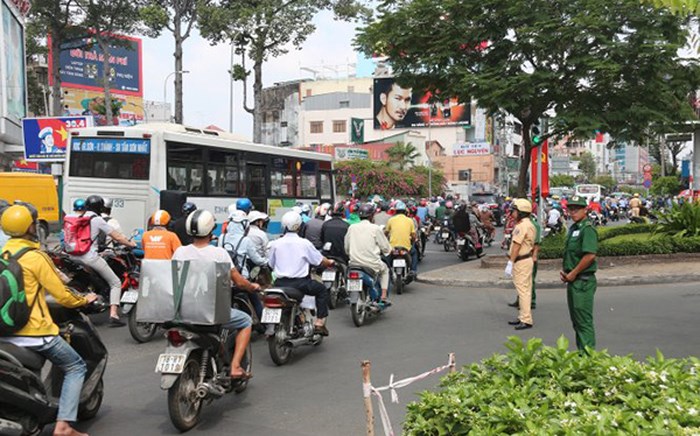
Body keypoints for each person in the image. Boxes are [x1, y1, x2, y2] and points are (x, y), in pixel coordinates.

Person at [0, 203, 98, 436]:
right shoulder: (35, 257)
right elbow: (62, 294)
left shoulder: (3, 254)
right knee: (76, 366)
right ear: (29, 227)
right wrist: (85, 299)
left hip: (4, 330)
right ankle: (64, 426)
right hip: (34, 333)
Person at [172, 209, 259, 379]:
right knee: (246, 321)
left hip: (181, 311)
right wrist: (252, 287)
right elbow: (239, 281)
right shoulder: (219, 253)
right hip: (209, 312)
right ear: (211, 230)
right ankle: (235, 366)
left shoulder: (180, 252)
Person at [66, 196, 136, 326]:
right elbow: (117, 237)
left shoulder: (73, 218)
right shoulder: (97, 220)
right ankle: (114, 314)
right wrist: (131, 244)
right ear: (100, 207)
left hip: (71, 257)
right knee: (115, 282)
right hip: (89, 257)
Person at [269, 211, 334, 336]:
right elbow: (319, 260)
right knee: (321, 290)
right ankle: (319, 323)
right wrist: (329, 262)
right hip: (300, 283)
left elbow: (271, 264)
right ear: (299, 226)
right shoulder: (304, 243)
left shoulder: (276, 243)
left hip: (279, 283)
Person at [561, 195, 599, 352]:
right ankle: (582, 353)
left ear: (585, 210)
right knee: (576, 321)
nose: (573, 212)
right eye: (570, 208)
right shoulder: (574, 228)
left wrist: (574, 273)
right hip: (573, 280)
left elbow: (590, 255)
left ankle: (588, 357)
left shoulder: (587, 229)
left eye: (577, 209)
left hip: (582, 281)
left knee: (583, 322)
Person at [344, 203, 393, 305]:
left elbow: (347, 248)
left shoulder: (352, 227)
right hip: (372, 264)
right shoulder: (375, 228)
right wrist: (387, 251)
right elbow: (386, 248)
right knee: (385, 270)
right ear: (371, 216)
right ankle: (383, 296)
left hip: (354, 264)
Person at [504, 199, 536, 330]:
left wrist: (510, 262)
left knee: (523, 291)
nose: (512, 213)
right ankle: (523, 316)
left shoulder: (522, 226)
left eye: (515, 210)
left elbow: (517, 245)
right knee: (526, 290)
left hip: (521, 261)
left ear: (521, 212)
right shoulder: (529, 224)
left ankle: (526, 319)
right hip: (526, 260)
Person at [385, 201, 418, 278]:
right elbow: (413, 235)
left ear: (395, 210)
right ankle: (413, 270)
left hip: (393, 247)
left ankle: (387, 271)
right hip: (406, 247)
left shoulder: (391, 220)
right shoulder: (410, 220)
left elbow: (386, 233)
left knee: (385, 258)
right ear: (405, 211)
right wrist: (413, 240)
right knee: (414, 253)